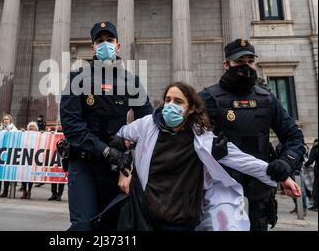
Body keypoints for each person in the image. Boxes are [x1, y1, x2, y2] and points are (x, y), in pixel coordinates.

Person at [115, 82, 301, 231]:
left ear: (190, 108)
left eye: (178, 101)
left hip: (182, 219)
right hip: (148, 215)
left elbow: (242, 160)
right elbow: (119, 138)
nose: (170, 105)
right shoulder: (147, 125)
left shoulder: (202, 137)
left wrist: (282, 176)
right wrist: (125, 167)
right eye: (167, 100)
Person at [199, 38, 306, 231]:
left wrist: (287, 162)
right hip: (222, 189)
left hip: (259, 192)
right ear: (226, 64)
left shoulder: (267, 98)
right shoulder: (208, 97)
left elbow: (294, 137)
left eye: (250, 61)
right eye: (240, 61)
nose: (246, 66)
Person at [60, 21, 153, 231]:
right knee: (83, 226)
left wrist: (128, 162)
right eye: (99, 41)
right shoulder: (77, 79)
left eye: (109, 40)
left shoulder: (131, 82)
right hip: (84, 164)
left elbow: (147, 124)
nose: (105, 45)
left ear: (117, 46)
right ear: (93, 47)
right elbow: (73, 127)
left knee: (113, 226)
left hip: (116, 168)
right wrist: (106, 151)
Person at [0, 114, 17, 198]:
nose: (6, 121)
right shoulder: (0, 128)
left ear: (10, 120)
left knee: (6, 174)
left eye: (7, 119)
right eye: (4, 119)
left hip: (9, 152)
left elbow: (15, 137)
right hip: (0, 152)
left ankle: (5, 192)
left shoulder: (13, 128)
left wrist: (8, 130)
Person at [20, 121, 39, 199]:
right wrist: (21, 132)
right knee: (23, 175)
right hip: (24, 156)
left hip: (33, 156)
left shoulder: (39, 135)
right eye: (30, 126)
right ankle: (24, 190)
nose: (31, 128)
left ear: (36, 128)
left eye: (33, 126)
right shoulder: (25, 134)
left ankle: (29, 191)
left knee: (30, 175)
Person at [305, 139, 318, 211]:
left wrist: (305, 165)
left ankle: (316, 205)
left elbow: (311, 160)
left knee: (316, 188)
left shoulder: (315, 147)